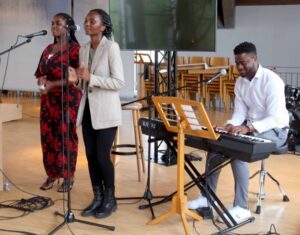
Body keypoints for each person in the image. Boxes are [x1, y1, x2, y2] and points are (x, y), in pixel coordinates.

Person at [187, 42, 289, 223]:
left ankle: (242, 208)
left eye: (244, 62)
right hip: (252, 128)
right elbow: (240, 113)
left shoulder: (272, 81)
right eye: (237, 62)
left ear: (255, 59)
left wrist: (248, 128)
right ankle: (206, 199)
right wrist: (228, 125)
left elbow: (274, 118)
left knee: (238, 150)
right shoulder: (240, 82)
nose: (240, 67)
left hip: (276, 131)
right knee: (215, 145)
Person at [69, 9, 124, 218]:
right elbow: (85, 82)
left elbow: (119, 82)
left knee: (102, 156)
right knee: (90, 157)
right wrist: (77, 79)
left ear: (103, 26)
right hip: (88, 112)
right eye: (86, 20)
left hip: (106, 112)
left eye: (93, 21)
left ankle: (111, 200)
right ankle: (98, 197)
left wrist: (91, 78)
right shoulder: (83, 49)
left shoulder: (111, 48)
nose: (87, 24)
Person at [35, 13, 81, 192]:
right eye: (52, 23)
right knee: (48, 136)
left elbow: (75, 77)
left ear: (68, 27)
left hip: (67, 98)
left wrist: (53, 84)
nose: (54, 26)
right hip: (48, 100)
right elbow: (40, 72)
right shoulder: (48, 49)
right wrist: (41, 80)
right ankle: (52, 173)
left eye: (58, 23)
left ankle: (68, 176)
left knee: (65, 136)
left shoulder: (75, 50)